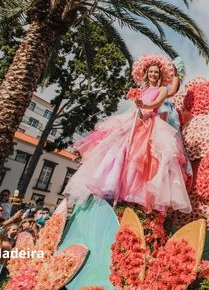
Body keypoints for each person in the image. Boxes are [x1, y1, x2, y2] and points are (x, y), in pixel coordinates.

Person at [64, 54, 192, 213]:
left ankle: (134, 195)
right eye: (151, 72)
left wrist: (177, 75)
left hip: (148, 124)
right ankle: (112, 186)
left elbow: (156, 103)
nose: (153, 75)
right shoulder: (142, 90)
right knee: (119, 151)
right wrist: (138, 102)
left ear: (160, 76)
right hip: (133, 120)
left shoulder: (161, 90)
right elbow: (140, 103)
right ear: (146, 74)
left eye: (156, 73)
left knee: (142, 158)